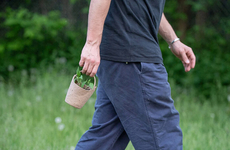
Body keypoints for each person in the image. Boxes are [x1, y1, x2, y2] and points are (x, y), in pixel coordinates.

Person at [75, 0, 196, 149]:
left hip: (123, 57)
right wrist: (92, 44)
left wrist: (173, 40)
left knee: (105, 138)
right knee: (163, 138)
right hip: (132, 56)